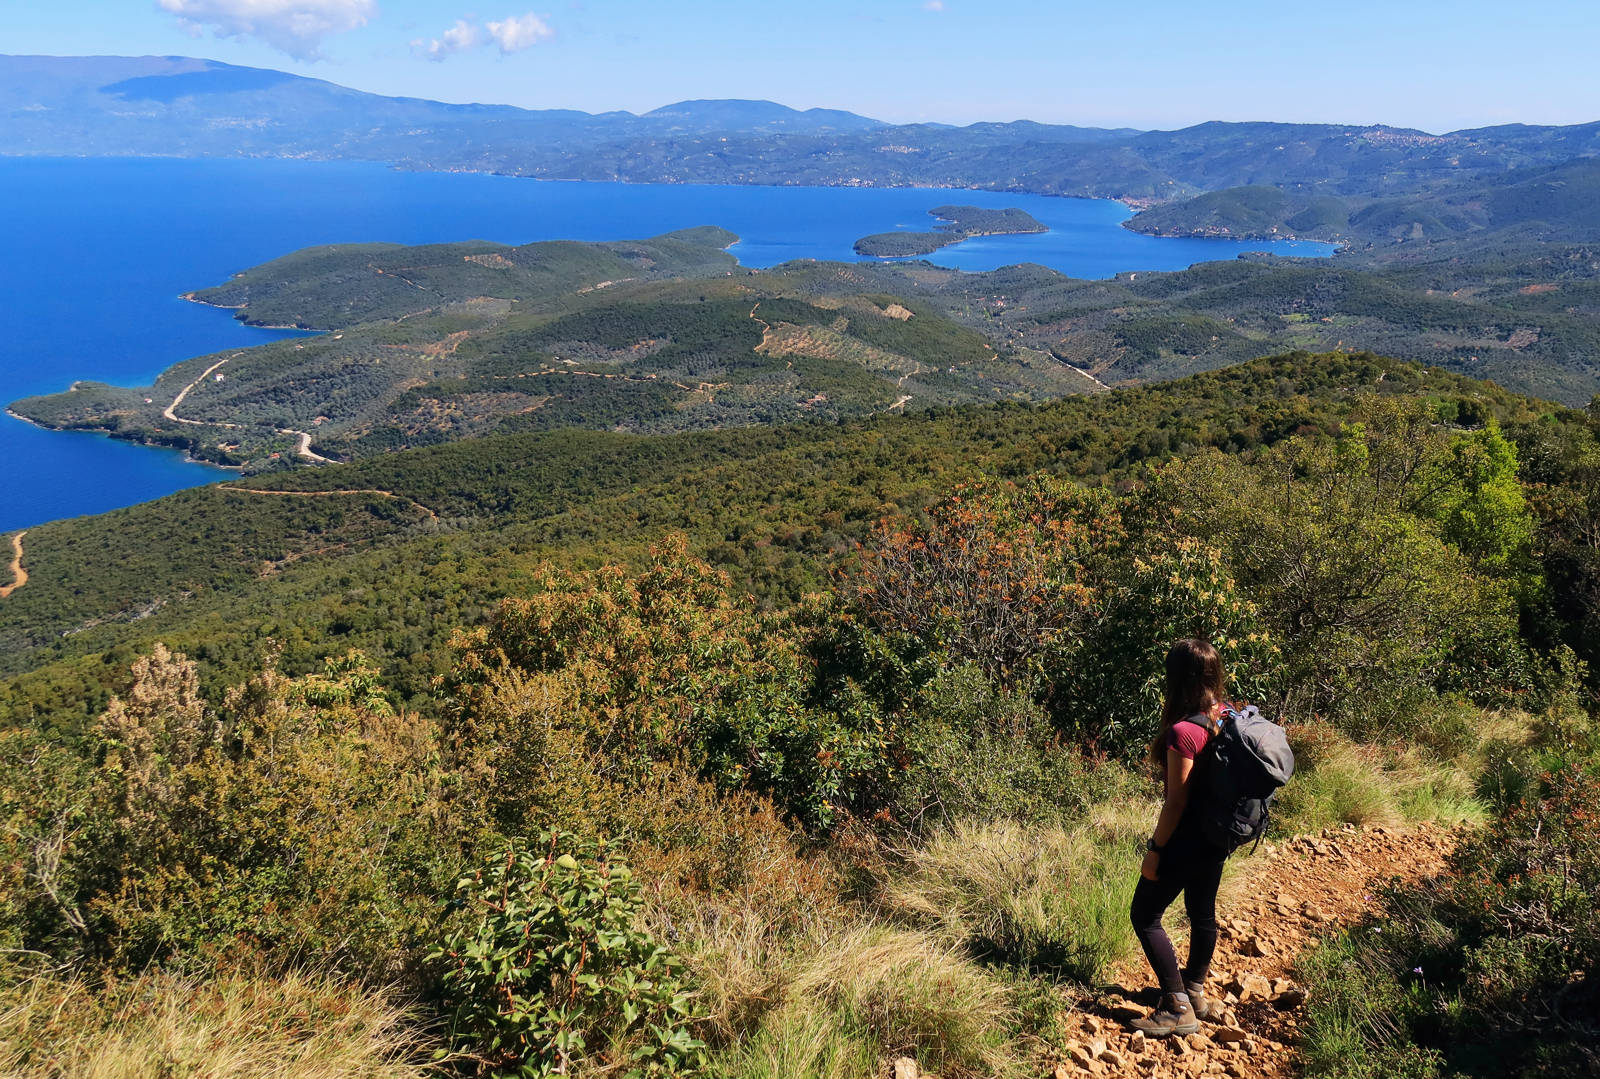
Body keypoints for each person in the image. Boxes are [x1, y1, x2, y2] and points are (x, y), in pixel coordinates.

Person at [1128, 638, 1232, 1037]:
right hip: (1217, 838)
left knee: (1145, 914)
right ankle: (1195, 991)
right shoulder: (1226, 716)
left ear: (1176, 679)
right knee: (1202, 913)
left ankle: (1176, 1007)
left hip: (1186, 839)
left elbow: (1176, 802)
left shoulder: (1183, 731)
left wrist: (1155, 850)